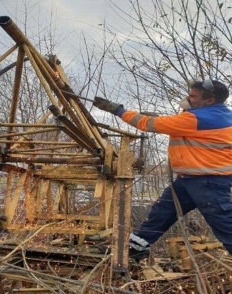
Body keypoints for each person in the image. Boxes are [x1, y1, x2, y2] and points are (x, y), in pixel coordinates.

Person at [93, 79, 232, 260]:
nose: (187, 98)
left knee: (224, 224)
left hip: (207, 182)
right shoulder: (220, 115)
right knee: (163, 211)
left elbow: (147, 124)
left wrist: (118, 110)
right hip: (191, 179)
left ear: (209, 101)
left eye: (192, 96)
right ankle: (136, 247)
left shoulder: (196, 118)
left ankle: (136, 248)